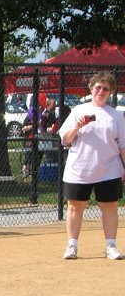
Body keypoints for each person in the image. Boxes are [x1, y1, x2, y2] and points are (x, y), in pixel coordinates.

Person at [58, 71, 125, 260]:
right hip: (79, 168)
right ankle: (72, 246)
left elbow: (123, 145)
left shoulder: (116, 116)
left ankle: (111, 245)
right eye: (98, 87)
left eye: (105, 88)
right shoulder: (78, 110)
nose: (101, 91)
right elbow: (65, 139)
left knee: (110, 206)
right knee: (74, 206)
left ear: (111, 92)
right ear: (91, 88)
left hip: (109, 169)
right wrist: (77, 127)